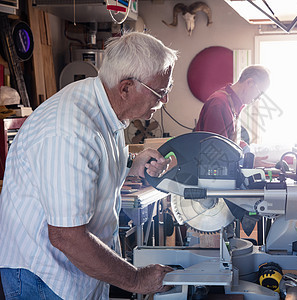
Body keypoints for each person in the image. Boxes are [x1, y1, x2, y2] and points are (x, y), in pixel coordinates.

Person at [0, 32, 177, 299]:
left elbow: (90, 164)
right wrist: (137, 280)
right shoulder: (69, 130)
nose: (164, 101)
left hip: (74, 270)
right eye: (159, 92)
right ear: (126, 87)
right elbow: (66, 236)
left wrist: (131, 164)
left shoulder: (106, 107)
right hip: (44, 277)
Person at [194, 65, 272, 166]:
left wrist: (245, 150)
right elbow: (216, 152)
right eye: (259, 94)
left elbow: (229, 140)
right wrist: (245, 161)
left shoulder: (234, 104)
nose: (258, 99)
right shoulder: (219, 103)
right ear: (250, 83)